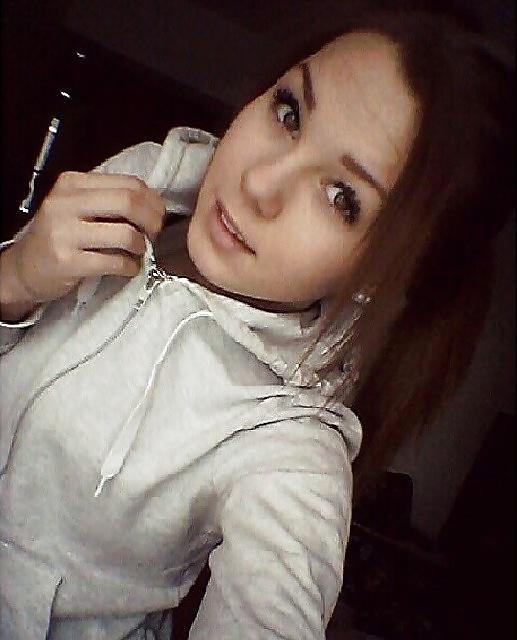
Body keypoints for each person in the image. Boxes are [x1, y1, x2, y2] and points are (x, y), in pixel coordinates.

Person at [0, 7, 513, 640]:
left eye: (342, 198)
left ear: (390, 280)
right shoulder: (137, 181)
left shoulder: (291, 450)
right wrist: (14, 278)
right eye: (290, 112)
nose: (259, 182)